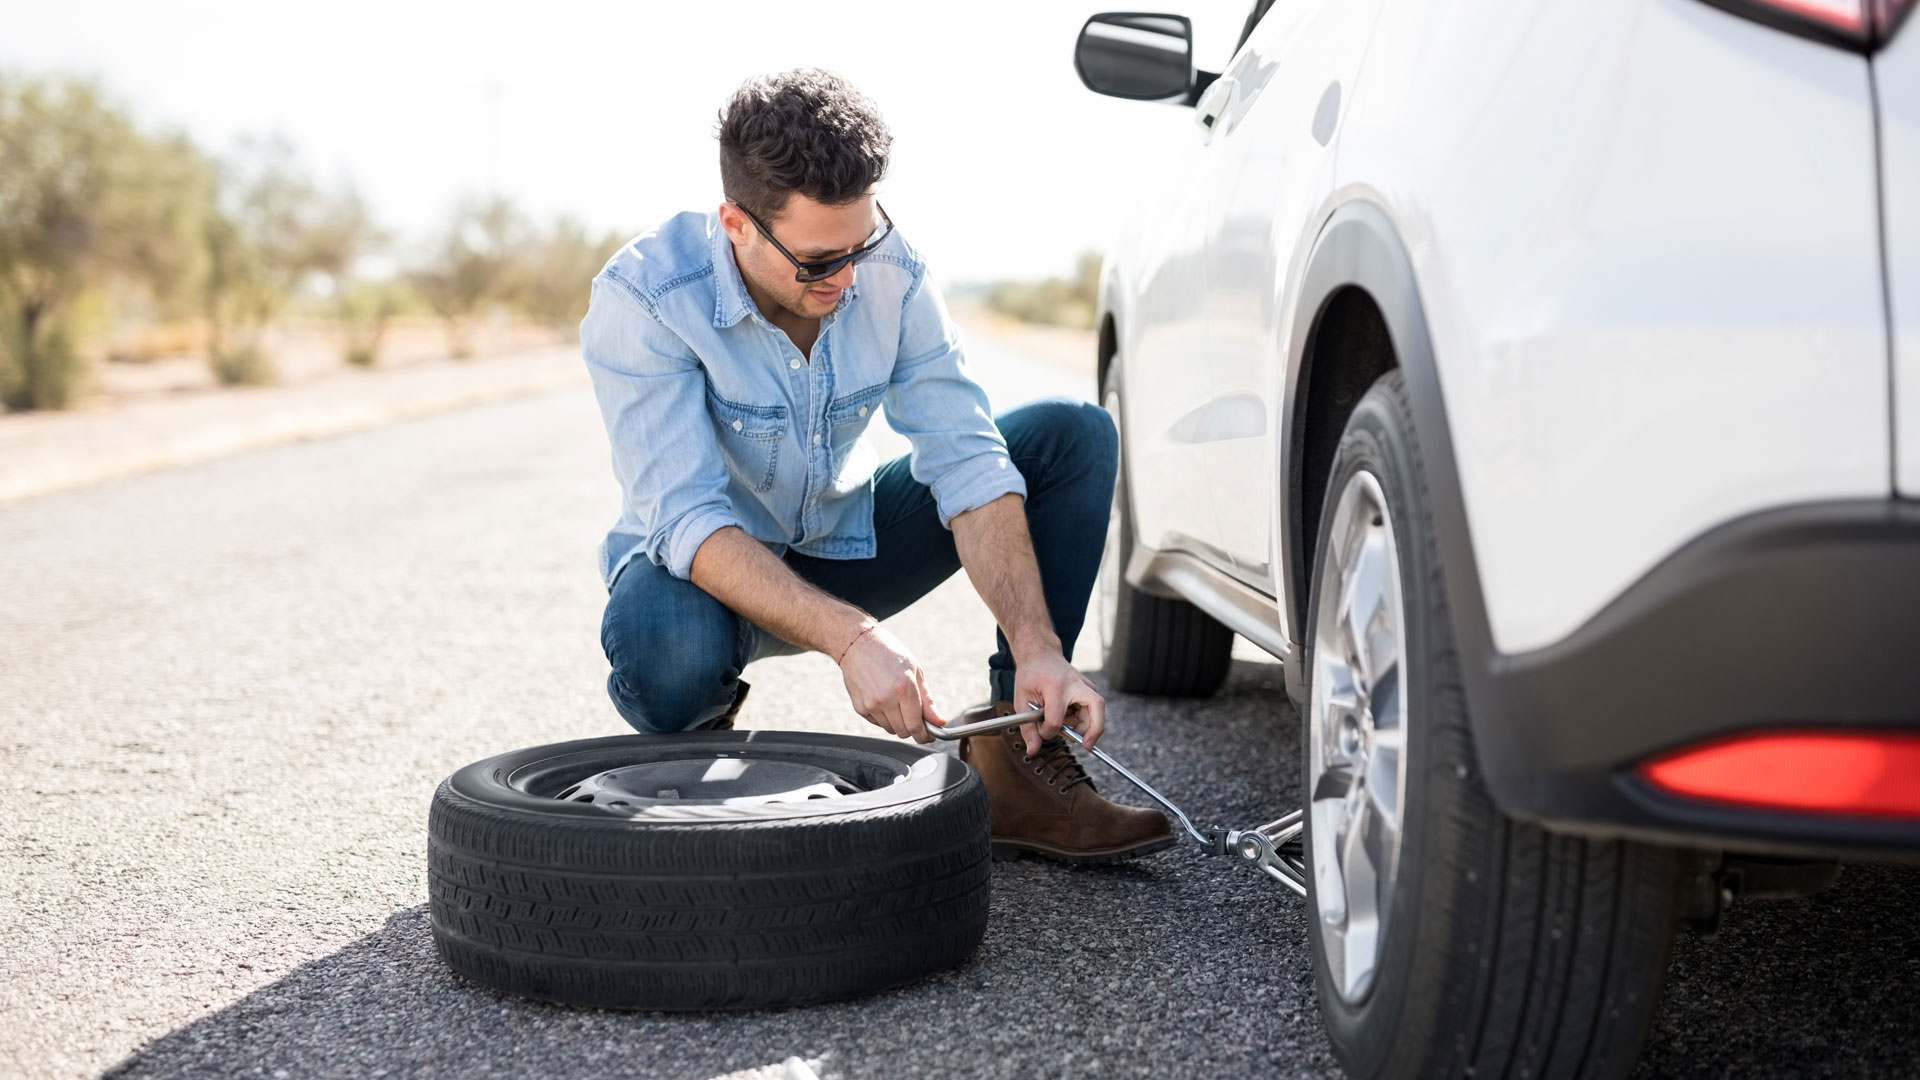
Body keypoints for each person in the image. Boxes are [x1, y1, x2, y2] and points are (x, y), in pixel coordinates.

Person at [581, 68, 1172, 864]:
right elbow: (689, 519)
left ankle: (1018, 760)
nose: (849, 278)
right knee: (667, 644)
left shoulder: (891, 272)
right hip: (704, 582)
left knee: (1072, 435)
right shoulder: (646, 297)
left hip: (843, 538)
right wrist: (854, 641)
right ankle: (695, 765)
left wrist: (1038, 645)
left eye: (860, 245)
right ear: (737, 224)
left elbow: (964, 458)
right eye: (821, 261)